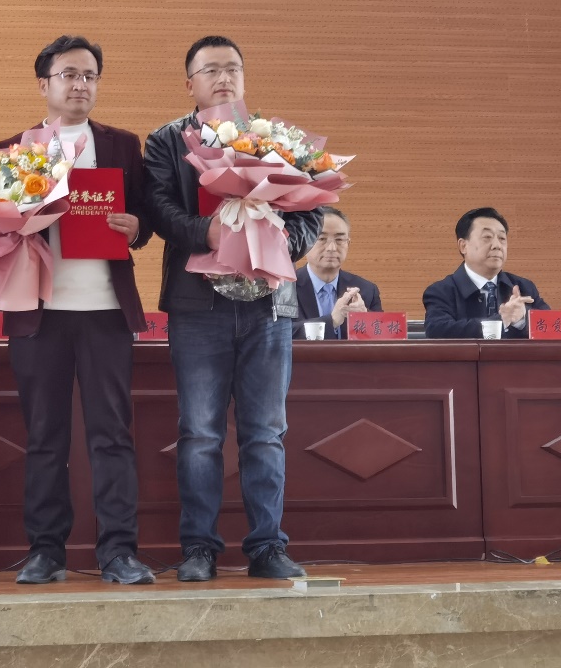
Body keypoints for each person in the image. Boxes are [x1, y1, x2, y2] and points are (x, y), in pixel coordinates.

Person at [144, 35, 322, 582]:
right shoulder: (166, 141)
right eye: (211, 70)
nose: (224, 78)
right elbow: (158, 208)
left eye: (233, 69)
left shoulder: (277, 140)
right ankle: (199, 548)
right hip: (198, 307)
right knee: (200, 434)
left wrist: (278, 238)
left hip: (269, 308)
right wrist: (209, 231)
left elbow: (312, 213)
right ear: (190, 83)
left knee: (265, 432)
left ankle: (267, 546)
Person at [0, 36, 155, 586]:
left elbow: (145, 216)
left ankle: (119, 552)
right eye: (68, 74)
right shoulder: (13, 149)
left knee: (112, 436)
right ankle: (46, 551)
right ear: (44, 83)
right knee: (45, 437)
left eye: (89, 75)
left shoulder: (121, 145)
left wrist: (136, 229)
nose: (80, 85)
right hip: (38, 314)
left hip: (105, 311)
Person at [423, 207, 549, 339]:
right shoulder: (441, 291)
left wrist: (522, 319)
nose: (497, 245)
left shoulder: (523, 287)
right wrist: (501, 320)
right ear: (463, 246)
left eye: (502, 238)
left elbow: (553, 326)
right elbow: (438, 330)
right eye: (487, 237)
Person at [293, 207, 383, 339]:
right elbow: (278, 336)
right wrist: (332, 321)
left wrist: (365, 317)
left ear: (348, 244)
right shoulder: (284, 289)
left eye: (339, 240)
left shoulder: (367, 290)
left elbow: (384, 339)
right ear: (305, 242)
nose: (332, 248)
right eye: (321, 239)